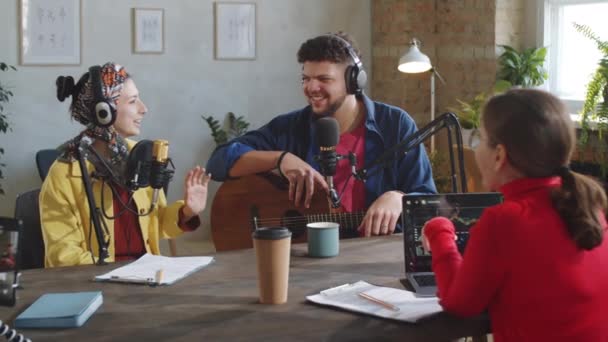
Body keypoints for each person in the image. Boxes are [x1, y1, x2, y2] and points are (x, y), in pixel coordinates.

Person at [421, 89, 608, 341]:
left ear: (499, 155)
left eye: (480, 139)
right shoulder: (589, 207)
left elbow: (459, 304)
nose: (475, 149)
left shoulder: (504, 221)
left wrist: (438, 230)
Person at [206, 32, 436, 237]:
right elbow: (218, 162)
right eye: (306, 78)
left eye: (324, 79)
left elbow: (428, 202)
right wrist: (281, 159)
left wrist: (399, 198)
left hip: (374, 254)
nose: (311, 87)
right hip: (308, 259)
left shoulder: (395, 125)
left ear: (353, 81)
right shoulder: (290, 127)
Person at [40, 62, 211, 267]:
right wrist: (116, 274)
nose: (144, 109)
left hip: (145, 276)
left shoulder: (140, 155)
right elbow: (63, 256)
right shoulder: (63, 174)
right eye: (132, 101)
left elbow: (155, 223)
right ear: (103, 111)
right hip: (95, 282)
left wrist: (187, 212)